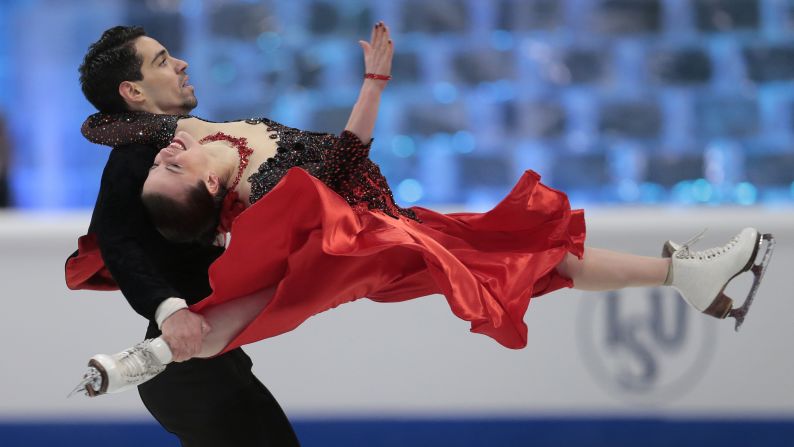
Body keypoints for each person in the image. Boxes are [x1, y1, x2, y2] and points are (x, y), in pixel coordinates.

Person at [74, 22, 774, 396]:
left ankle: (683, 274)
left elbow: (104, 124)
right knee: (530, 254)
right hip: (377, 245)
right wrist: (156, 336)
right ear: (197, 187)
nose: (184, 65)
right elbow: (342, 165)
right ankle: (688, 272)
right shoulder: (259, 188)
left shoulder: (194, 135)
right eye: (164, 61)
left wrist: (374, 81)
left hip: (402, 224)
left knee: (540, 251)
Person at [65, 26, 300, 446]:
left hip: (203, 363)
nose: (181, 63)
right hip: (187, 368)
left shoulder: (179, 144)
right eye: (161, 61)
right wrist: (169, 309)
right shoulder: (137, 156)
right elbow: (118, 242)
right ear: (133, 92)